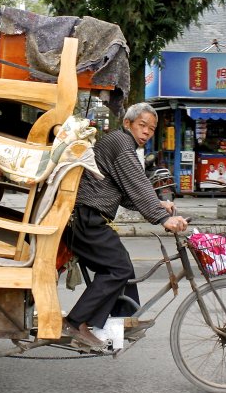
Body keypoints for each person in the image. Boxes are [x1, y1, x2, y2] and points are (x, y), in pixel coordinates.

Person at [63, 102, 189, 350]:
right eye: (142, 125)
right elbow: (138, 183)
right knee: (118, 268)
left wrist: (158, 205)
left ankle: (122, 321)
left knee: (123, 264)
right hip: (87, 218)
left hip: (89, 219)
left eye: (151, 129)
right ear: (127, 123)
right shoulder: (121, 144)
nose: (146, 132)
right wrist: (162, 218)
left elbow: (128, 193)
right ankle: (75, 322)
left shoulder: (122, 144)